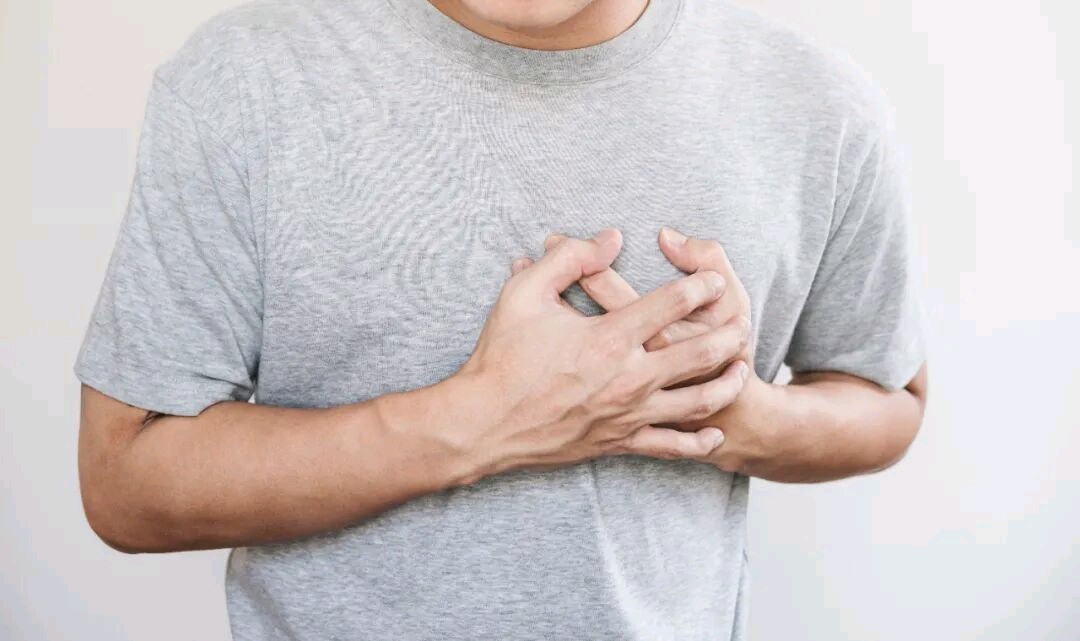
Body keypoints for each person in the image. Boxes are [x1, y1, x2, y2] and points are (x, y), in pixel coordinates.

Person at [73, 0, 929, 639]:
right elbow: (123, 484)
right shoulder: (244, 81)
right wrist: (477, 423)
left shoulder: (818, 106)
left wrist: (725, 410)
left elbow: (890, 400)